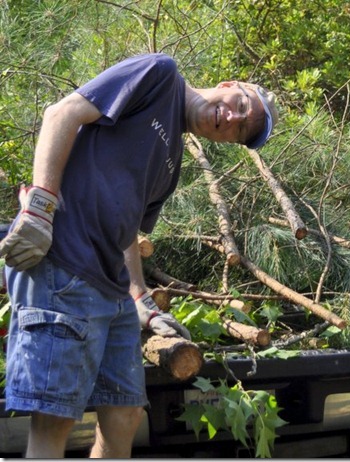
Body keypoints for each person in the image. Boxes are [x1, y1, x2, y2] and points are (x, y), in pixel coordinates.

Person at [0, 52, 278, 458]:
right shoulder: (160, 74)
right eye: (240, 106)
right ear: (229, 86)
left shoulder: (172, 164)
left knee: (125, 415)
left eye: (239, 131)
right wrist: (40, 208)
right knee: (55, 419)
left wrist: (140, 299)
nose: (232, 119)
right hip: (64, 265)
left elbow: (127, 230)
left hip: (110, 291)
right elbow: (61, 113)